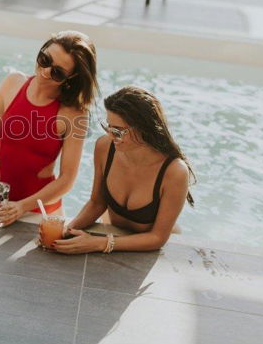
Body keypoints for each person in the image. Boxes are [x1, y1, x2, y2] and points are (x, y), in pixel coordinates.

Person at [0, 31, 99, 226]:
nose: (45, 71)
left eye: (57, 72)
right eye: (44, 59)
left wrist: (22, 206)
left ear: (71, 76)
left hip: (40, 212)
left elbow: (67, 179)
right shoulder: (14, 83)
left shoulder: (73, 114)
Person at [49, 85, 195, 254]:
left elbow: (157, 238)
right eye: (108, 127)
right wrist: (67, 230)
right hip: (112, 233)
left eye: (118, 131)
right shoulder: (105, 147)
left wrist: (99, 243)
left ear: (144, 128)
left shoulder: (174, 172)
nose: (111, 136)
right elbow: (97, 203)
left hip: (147, 247)